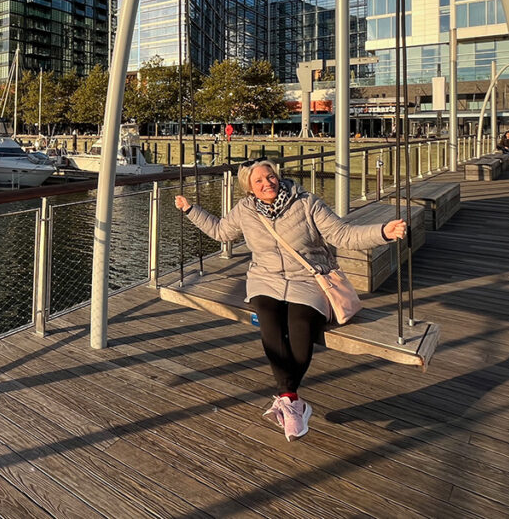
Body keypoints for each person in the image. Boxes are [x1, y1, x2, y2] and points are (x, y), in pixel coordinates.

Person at [174, 159, 406, 442]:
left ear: (277, 177)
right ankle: (292, 400)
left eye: (270, 177)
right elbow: (221, 232)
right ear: (249, 188)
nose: (267, 184)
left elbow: (342, 234)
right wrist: (190, 209)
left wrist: (383, 232)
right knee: (269, 322)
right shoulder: (246, 210)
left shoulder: (307, 203)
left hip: (307, 279)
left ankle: (288, 401)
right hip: (266, 280)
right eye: (258, 181)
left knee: (300, 330)